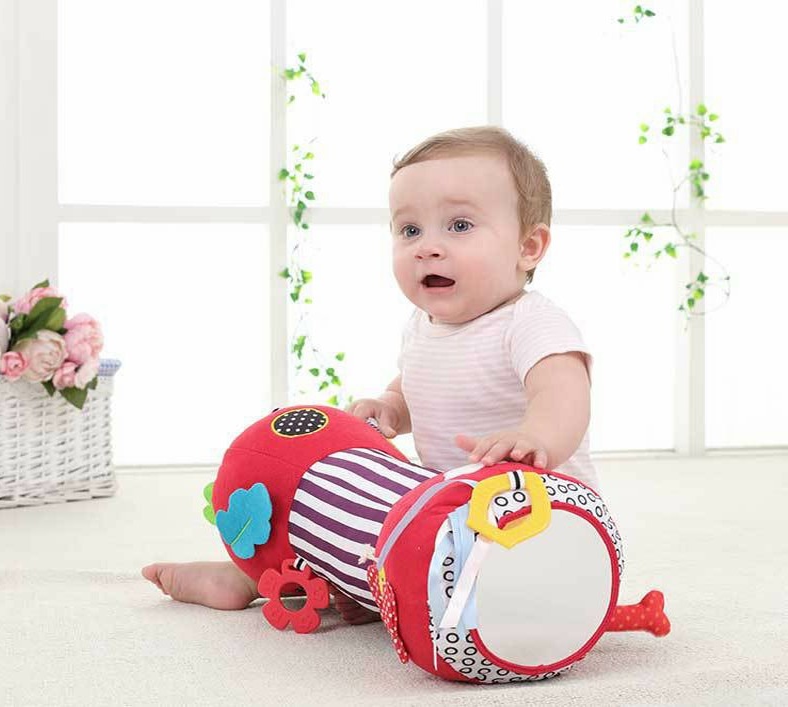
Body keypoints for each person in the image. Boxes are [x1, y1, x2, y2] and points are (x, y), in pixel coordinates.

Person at [142, 125, 595, 624]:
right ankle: (263, 574)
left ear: (528, 247)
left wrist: (535, 437)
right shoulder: (422, 328)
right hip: (449, 520)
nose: (427, 247)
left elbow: (563, 393)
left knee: (453, 572)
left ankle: (348, 585)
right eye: (410, 230)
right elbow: (416, 386)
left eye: (460, 226)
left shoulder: (530, 322)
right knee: (355, 517)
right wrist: (392, 406)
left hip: (540, 520)